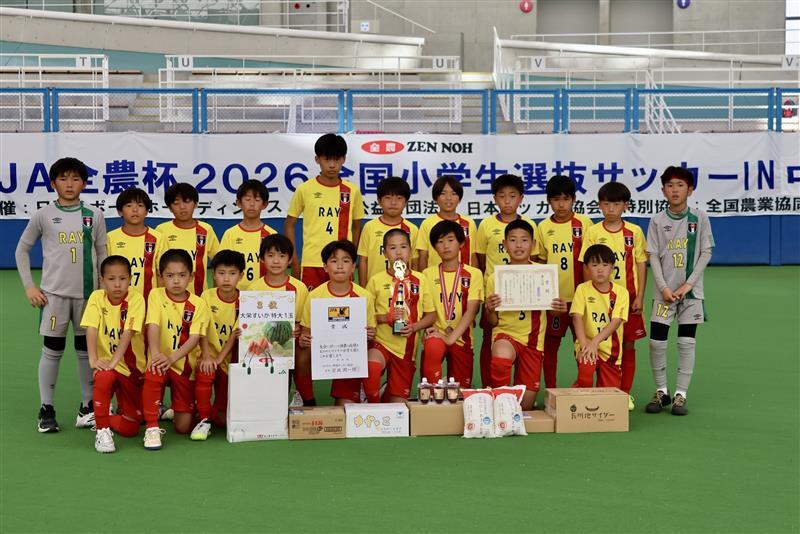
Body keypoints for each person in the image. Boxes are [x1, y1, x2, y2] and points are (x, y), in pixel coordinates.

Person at [15, 157, 107, 433]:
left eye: (75, 179)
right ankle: (47, 409)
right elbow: (21, 250)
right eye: (63, 179)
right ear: (53, 183)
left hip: (88, 297)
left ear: (84, 183)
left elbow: (103, 253)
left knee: (85, 351)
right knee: (52, 350)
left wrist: (104, 290)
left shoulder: (94, 214)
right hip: (54, 297)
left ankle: (87, 407)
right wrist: (30, 287)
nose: (69, 184)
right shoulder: (43, 215)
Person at [645, 166, 714, 416]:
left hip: (691, 294)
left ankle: (680, 394)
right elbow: (652, 256)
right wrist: (663, 287)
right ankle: (661, 391)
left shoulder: (700, 217)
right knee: (656, 342)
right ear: (663, 190)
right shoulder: (656, 221)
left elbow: (706, 252)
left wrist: (688, 285)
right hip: (663, 294)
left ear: (690, 190)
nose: (675, 190)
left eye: (680, 185)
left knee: (686, 342)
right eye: (670, 185)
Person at [483, 220, 567, 410]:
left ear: (533, 244)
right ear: (504, 245)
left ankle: (510, 402)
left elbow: (552, 310)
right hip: (506, 335)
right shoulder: (495, 278)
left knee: (524, 406)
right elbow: (493, 321)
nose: (518, 245)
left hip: (533, 342)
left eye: (524, 240)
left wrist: (559, 309)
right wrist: (489, 310)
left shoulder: (544, 274)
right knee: (501, 358)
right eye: (513, 240)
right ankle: (500, 404)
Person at [580, 182, 647, 411]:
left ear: (625, 206)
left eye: (616, 204)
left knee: (627, 345)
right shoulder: (593, 231)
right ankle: (591, 389)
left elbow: (641, 264)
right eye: (606, 204)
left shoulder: (634, 232)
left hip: (628, 298)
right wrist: (586, 295)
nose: (611, 209)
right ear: (599, 205)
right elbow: (586, 265)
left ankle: (624, 393)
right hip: (598, 300)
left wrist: (640, 296)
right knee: (596, 342)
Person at [141, 249, 210, 450]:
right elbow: (152, 326)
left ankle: (182, 409)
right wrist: (156, 355)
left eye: (182, 275)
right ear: (161, 277)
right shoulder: (155, 295)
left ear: (191, 276)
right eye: (170, 276)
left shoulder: (198, 304)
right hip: (160, 360)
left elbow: (195, 339)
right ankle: (152, 428)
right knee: (154, 370)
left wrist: (171, 359)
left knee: (183, 427)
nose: (176, 281)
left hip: (183, 367)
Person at [474, 173, 537, 387]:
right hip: (496, 292)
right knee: (491, 339)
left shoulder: (529, 224)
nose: (507, 201)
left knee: (527, 337)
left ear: (521, 198)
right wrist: (495, 284)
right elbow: (481, 260)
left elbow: (535, 260)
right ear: (495, 199)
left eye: (512, 196)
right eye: (502, 196)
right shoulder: (486, 225)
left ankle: (524, 386)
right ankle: (490, 386)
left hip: (525, 291)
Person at [81, 256, 146, 453]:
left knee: (131, 427)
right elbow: (91, 328)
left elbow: (127, 334)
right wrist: (93, 360)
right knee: (103, 377)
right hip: (107, 365)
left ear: (130, 279)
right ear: (102, 280)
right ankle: (102, 431)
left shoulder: (136, 299)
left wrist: (114, 362)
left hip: (131, 370)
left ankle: (101, 416)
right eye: (111, 279)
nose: (117, 284)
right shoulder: (96, 297)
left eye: (122, 279)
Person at [299, 240, 376, 406]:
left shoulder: (364, 296)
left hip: (348, 353)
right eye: (334, 261)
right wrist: (304, 339)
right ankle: (307, 400)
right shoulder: (314, 296)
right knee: (302, 352)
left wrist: (370, 334)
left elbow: (371, 332)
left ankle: (360, 389)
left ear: (353, 267)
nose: (340, 266)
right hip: (325, 351)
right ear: (325, 267)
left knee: (343, 407)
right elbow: (306, 332)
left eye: (346, 261)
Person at [534, 175, 593, 388]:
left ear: (574, 199)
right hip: (554, 302)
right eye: (556, 199)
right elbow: (540, 264)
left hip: (580, 300)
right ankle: (551, 389)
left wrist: (589, 296)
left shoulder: (585, 224)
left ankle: (584, 387)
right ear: (548, 201)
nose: (561, 205)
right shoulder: (543, 227)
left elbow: (591, 262)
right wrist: (545, 298)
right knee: (550, 348)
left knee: (584, 345)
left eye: (566, 199)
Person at [365, 229, 436, 403]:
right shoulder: (375, 280)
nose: (398, 252)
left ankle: (386, 392)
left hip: (406, 349)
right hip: (380, 342)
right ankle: (373, 405)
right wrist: (385, 318)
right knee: (372, 367)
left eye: (403, 247)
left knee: (398, 407)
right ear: (384, 253)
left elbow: (431, 315)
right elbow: (365, 315)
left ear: (410, 251)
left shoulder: (421, 279)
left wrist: (414, 327)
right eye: (392, 248)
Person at [285, 134, 364, 290]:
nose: (332, 165)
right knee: (310, 305)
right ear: (317, 159)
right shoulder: (304, 189)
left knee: (341, 304)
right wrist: (294, 261)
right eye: (327, 159)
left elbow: (356, 227)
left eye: (337, 159)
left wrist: (351, 258)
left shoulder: (352, 191)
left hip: (341, 264)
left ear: (344, 159)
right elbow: (289, 224)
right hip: (312, 262)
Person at [249, 234, 312, 406]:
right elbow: (251, 326)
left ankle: (306, 398)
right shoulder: (254, 288)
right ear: (262, 259)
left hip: (291, 343)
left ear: (290, 260)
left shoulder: (299, 288)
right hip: (264, 343)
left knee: (301, 350)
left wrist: (298, 328)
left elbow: (304, 321)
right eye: (270, 255)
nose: (276, 261)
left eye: (282, 256)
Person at [421, 220, 483, 387]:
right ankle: (432, 394)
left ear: (461, 243)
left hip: (463, 339)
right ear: (434, 247)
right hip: (435, 335)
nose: (446, 246)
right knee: (433, 347)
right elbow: (424, 309)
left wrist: (449, 338)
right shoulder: (426, 274)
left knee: (460, 393)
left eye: (450, 240)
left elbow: (472, 311)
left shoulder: (474, 274)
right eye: (440, 241)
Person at [192, 250, 245, 440]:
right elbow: (202, 329)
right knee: (205, 369)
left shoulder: (245, 300)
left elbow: (234, 335)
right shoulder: (206, 297)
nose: (226, 279)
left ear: (241, 275)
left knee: (222, 420)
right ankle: (203, 419)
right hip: (207, 355)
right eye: (221, 273)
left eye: (232, 273)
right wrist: (207, 356)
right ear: (213, 274)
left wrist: (219, 359)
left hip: (229, 361)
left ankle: (210, 410)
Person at [570, 244, 629, 388]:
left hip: (611, 351)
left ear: (612, 268)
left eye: (605, 265)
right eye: (595, 265)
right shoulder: (582, 289)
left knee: (608, 395)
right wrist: (584, 344)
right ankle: (578, 393)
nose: (600, 269)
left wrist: (595, 342)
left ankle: (573, 391)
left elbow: (616, 321)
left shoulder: (621, 293)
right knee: (585, 373)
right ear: (586, 268)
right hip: (586, 344)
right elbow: (577, 317)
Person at [155, 183, 220, 295]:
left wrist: (216, 294)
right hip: (170, 297)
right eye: (176, 203)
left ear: (196, 204)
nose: (182, 207)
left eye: (187, 201)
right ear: (169, 208)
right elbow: (158, 269)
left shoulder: (206, 230)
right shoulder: (161, 230)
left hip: (200, 297)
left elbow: (219, 262)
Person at [107, 187, 165, 301]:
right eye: (129, 206)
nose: (135, 210)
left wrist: (161, 302)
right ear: (120, 211)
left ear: (147, 211)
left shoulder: (158, 238)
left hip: (149, 302)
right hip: (118, 302)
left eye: (140, 205)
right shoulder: (110, 238)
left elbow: (161, 274)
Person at [357, 177, 419, 282]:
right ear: (379, 201)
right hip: (375, 287)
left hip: (403, 286)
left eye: (399, 198)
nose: (393, 202)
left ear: (406, 202)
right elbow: (363, 261)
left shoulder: (412, 229)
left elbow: (414, 262)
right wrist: (364, 289)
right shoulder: (369, 227)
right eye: (388, 198)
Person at [219, 180, 276, 289]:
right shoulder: (230, 234)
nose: (252, 204)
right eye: (247, 199)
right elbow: (221, 266)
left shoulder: (271, 234)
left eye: (257, 200)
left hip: (264, 293)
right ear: (239, 203)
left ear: (264, 204)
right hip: (235, 293)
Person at [415, 175, 477, 271]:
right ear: (435, 198)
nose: (448, 198)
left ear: (459, 198)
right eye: (443, 193)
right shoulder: (427, 224)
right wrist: (424, 278)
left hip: (463, 277)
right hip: (435, 277)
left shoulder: (469, 223)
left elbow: (473, 255)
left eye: (453, 193)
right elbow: (423, 255)